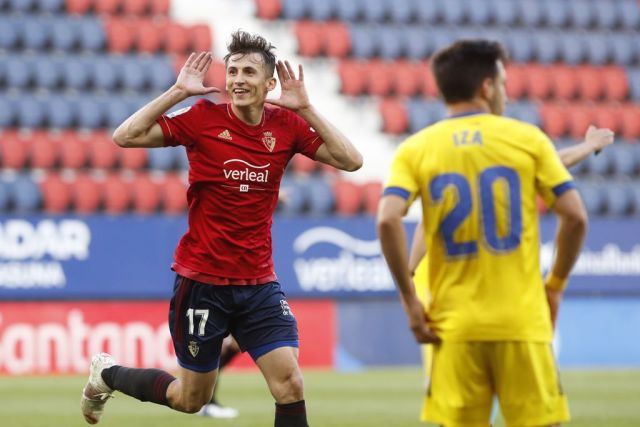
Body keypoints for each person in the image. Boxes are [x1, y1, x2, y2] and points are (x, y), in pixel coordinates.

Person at [80, 30, 362, 426]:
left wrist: (307, 109)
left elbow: (352, 162)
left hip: (259, 283)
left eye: (249, 71)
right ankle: (106, 374)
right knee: (190, 399)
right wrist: (178, 92)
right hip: (203, 282)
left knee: (290, 385)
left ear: (269, 84)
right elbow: (125, 136)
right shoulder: (203, 119)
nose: (238, 79)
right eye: (232, 71)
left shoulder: (286, 126)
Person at [377, 39, 589, 426]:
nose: (505, 94)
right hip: (522, 323)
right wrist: (555, 284)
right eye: (503, 84)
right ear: (487, 87)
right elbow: (575, 216)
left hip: (453, 329)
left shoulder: (417, 148)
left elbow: (387, 219)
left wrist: (410, 300)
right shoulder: (527, 139)